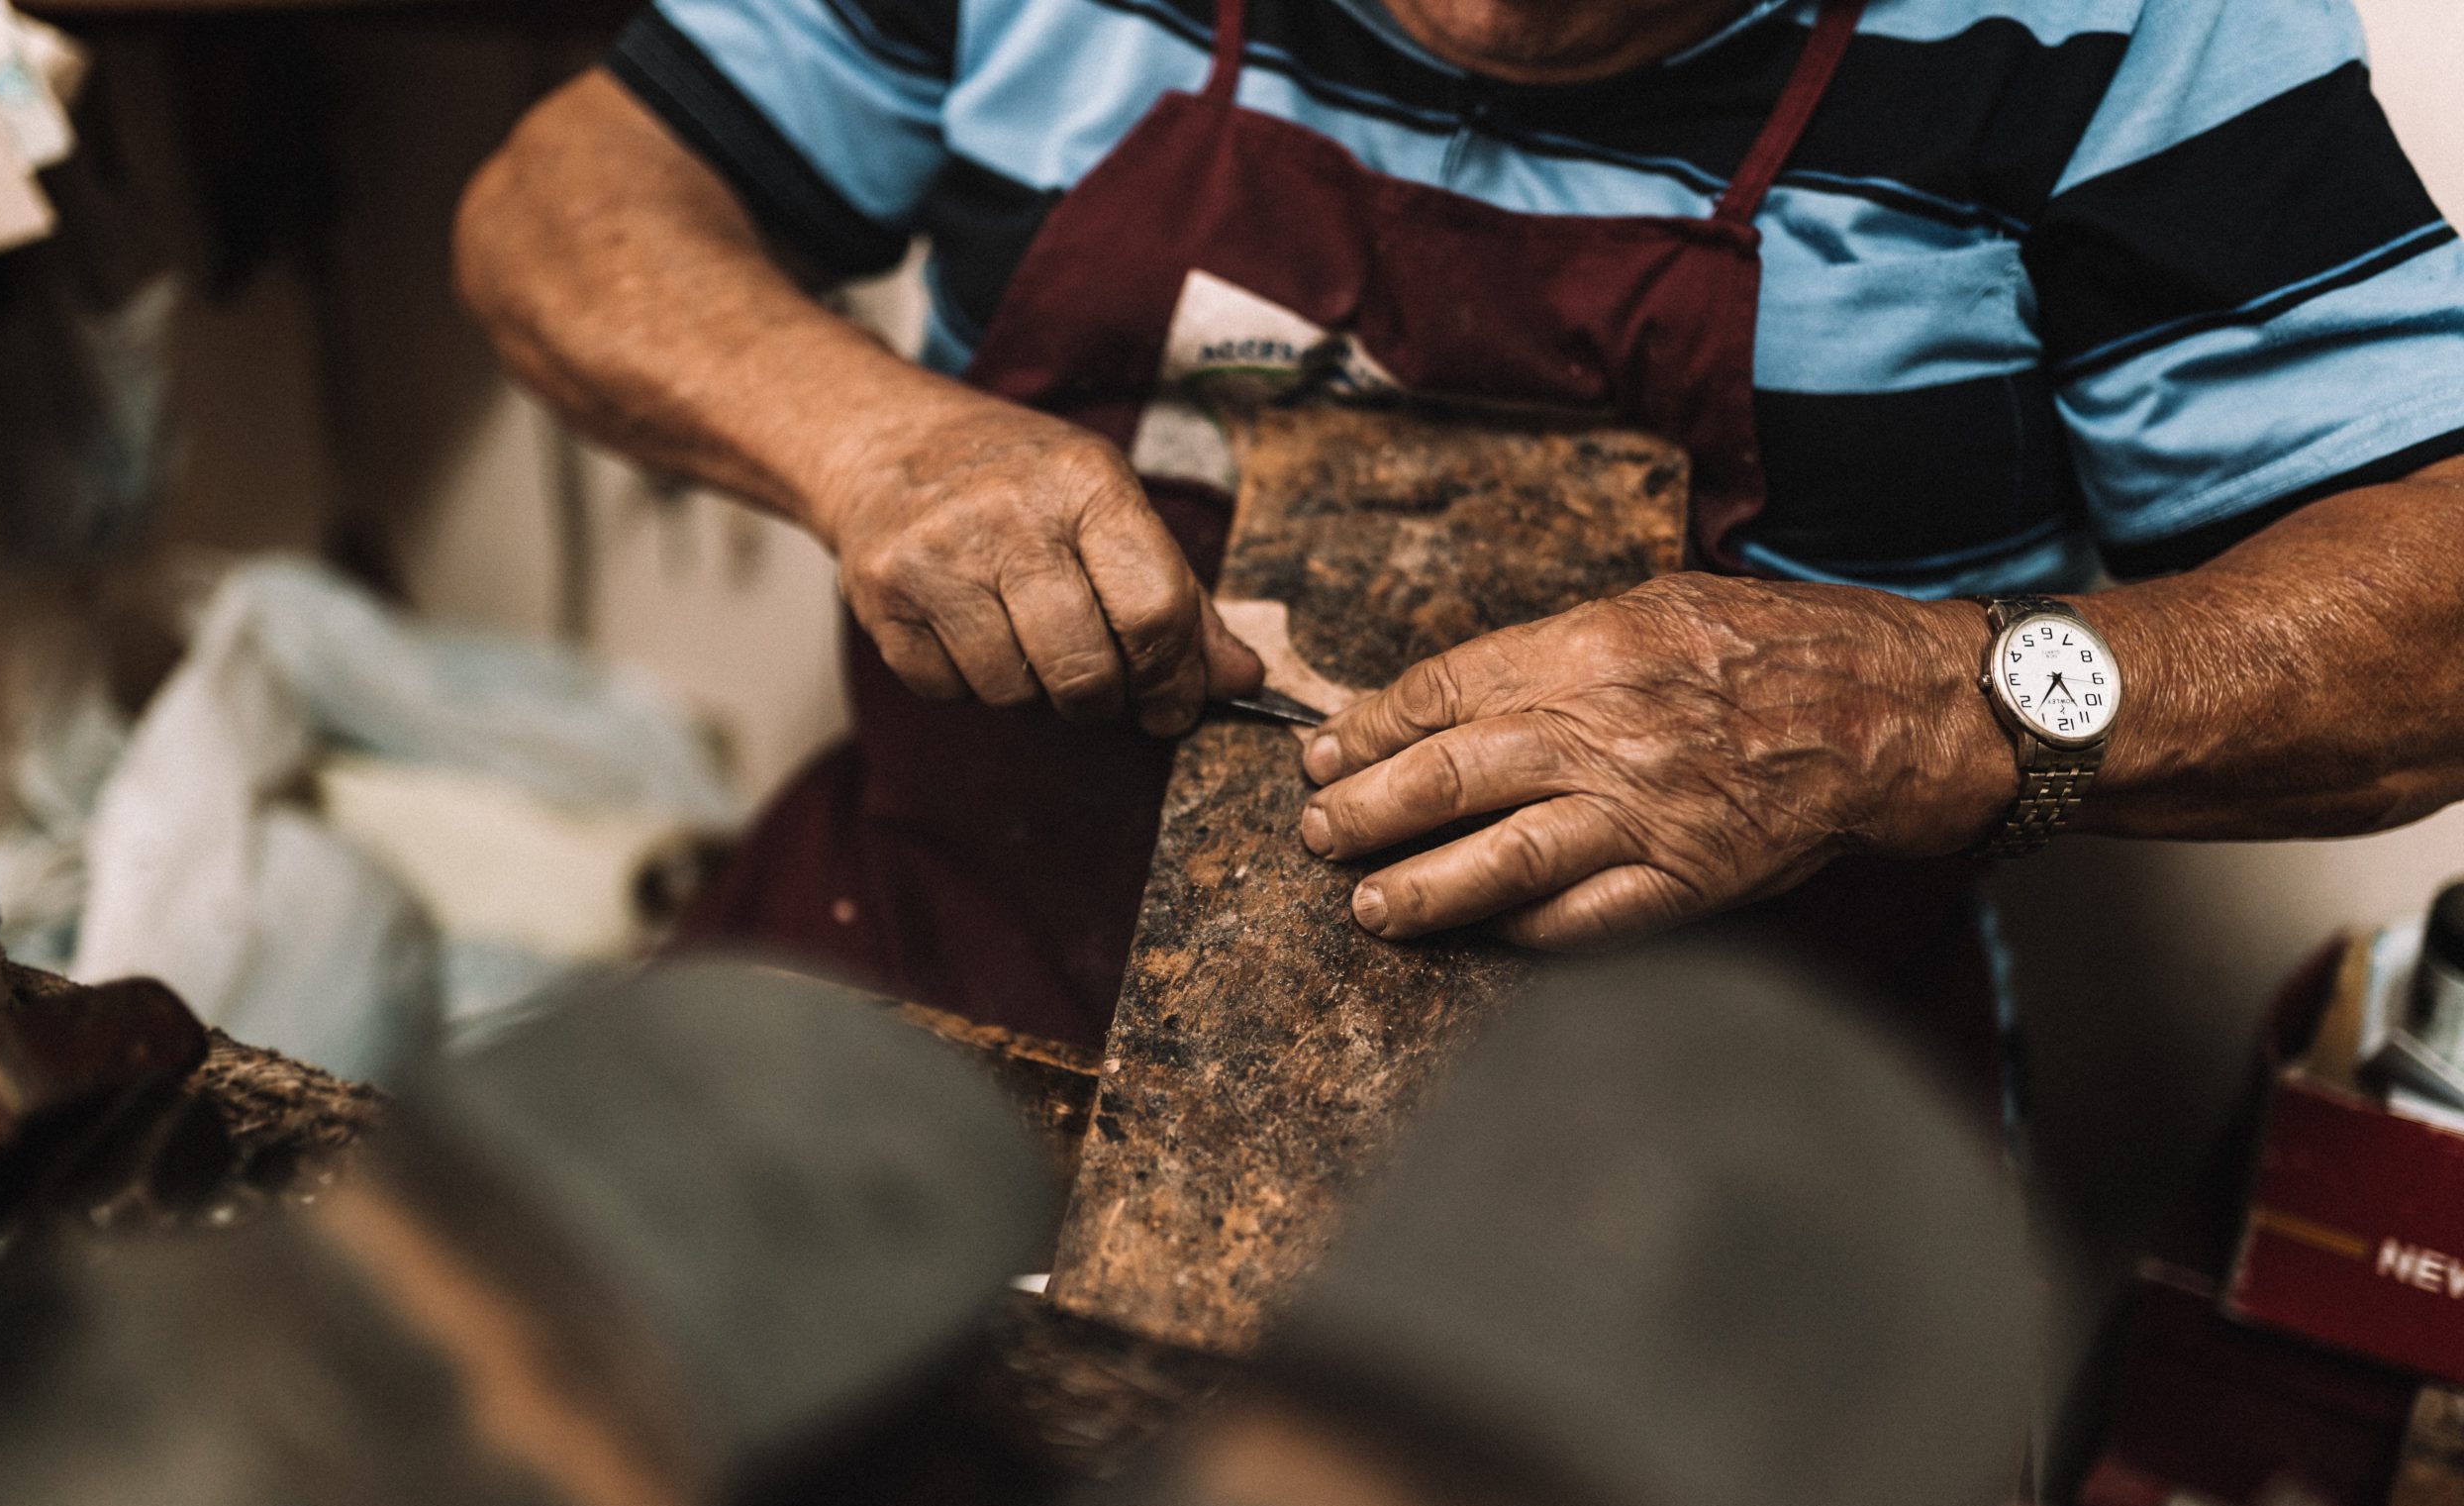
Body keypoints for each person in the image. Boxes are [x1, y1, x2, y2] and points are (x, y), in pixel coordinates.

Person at [453, 0, 2464, 1071]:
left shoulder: (2128, 16)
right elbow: (570, 200)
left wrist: (1906, 708)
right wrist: (865, 439)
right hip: (935, 977)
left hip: (1671, 1154)